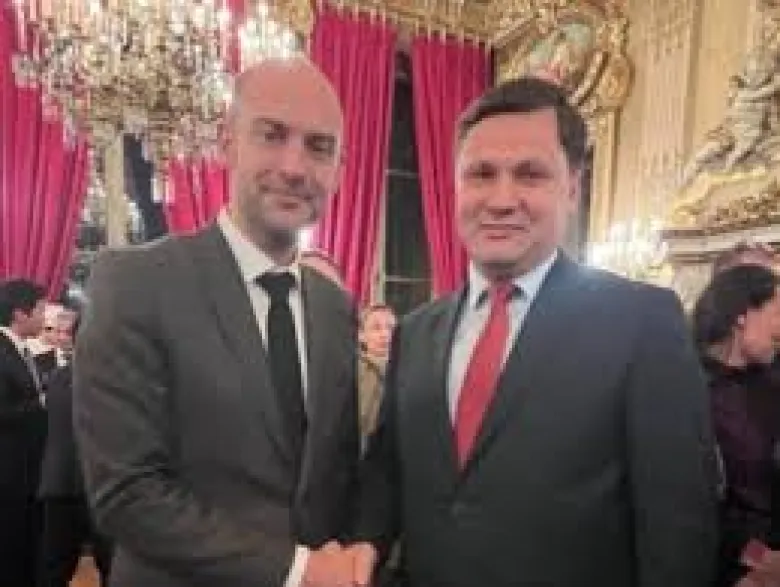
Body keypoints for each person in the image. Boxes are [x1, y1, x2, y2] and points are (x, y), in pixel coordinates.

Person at [351, 76, 719, 587]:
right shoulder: (415, 333)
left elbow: (677, 529)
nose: (502, 199)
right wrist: (363, 546)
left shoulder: (641, 322)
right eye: (481, 174)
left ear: (572, 189)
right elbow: (388, 472)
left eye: (530, 174)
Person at [74, 58, 361, 587]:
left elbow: (333, 474)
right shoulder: (134, 283)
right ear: (228, 143)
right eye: (272, 135)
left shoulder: (335, 307)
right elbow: (126, 493)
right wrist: (297, 570)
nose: (295, 167)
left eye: (319, 147)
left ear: (340, 171)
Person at [693, 265, 780, 587]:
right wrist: (760, 561)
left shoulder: (773, 383)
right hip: (724, 568)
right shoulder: (689, 389)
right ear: (743, 314)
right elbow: (693, 503)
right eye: (777, 313)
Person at [38, 314, 113, 587]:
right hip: (101, 488)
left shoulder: (56, 378)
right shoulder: (116, 381)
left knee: (52, 571)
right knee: (112, 569)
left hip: (57, 485)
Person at [0, 278, 48, 587]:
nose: (45, 317)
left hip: (28, 473)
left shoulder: (21, 350)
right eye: (41, 310)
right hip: (9, 476)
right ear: (20, 313)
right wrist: (42, 403)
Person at [356, 305, 396, 450]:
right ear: (361, 335)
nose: (385, 334)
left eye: (390, 328)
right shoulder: (351, 370)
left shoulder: (409, 367)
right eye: (376, 328)